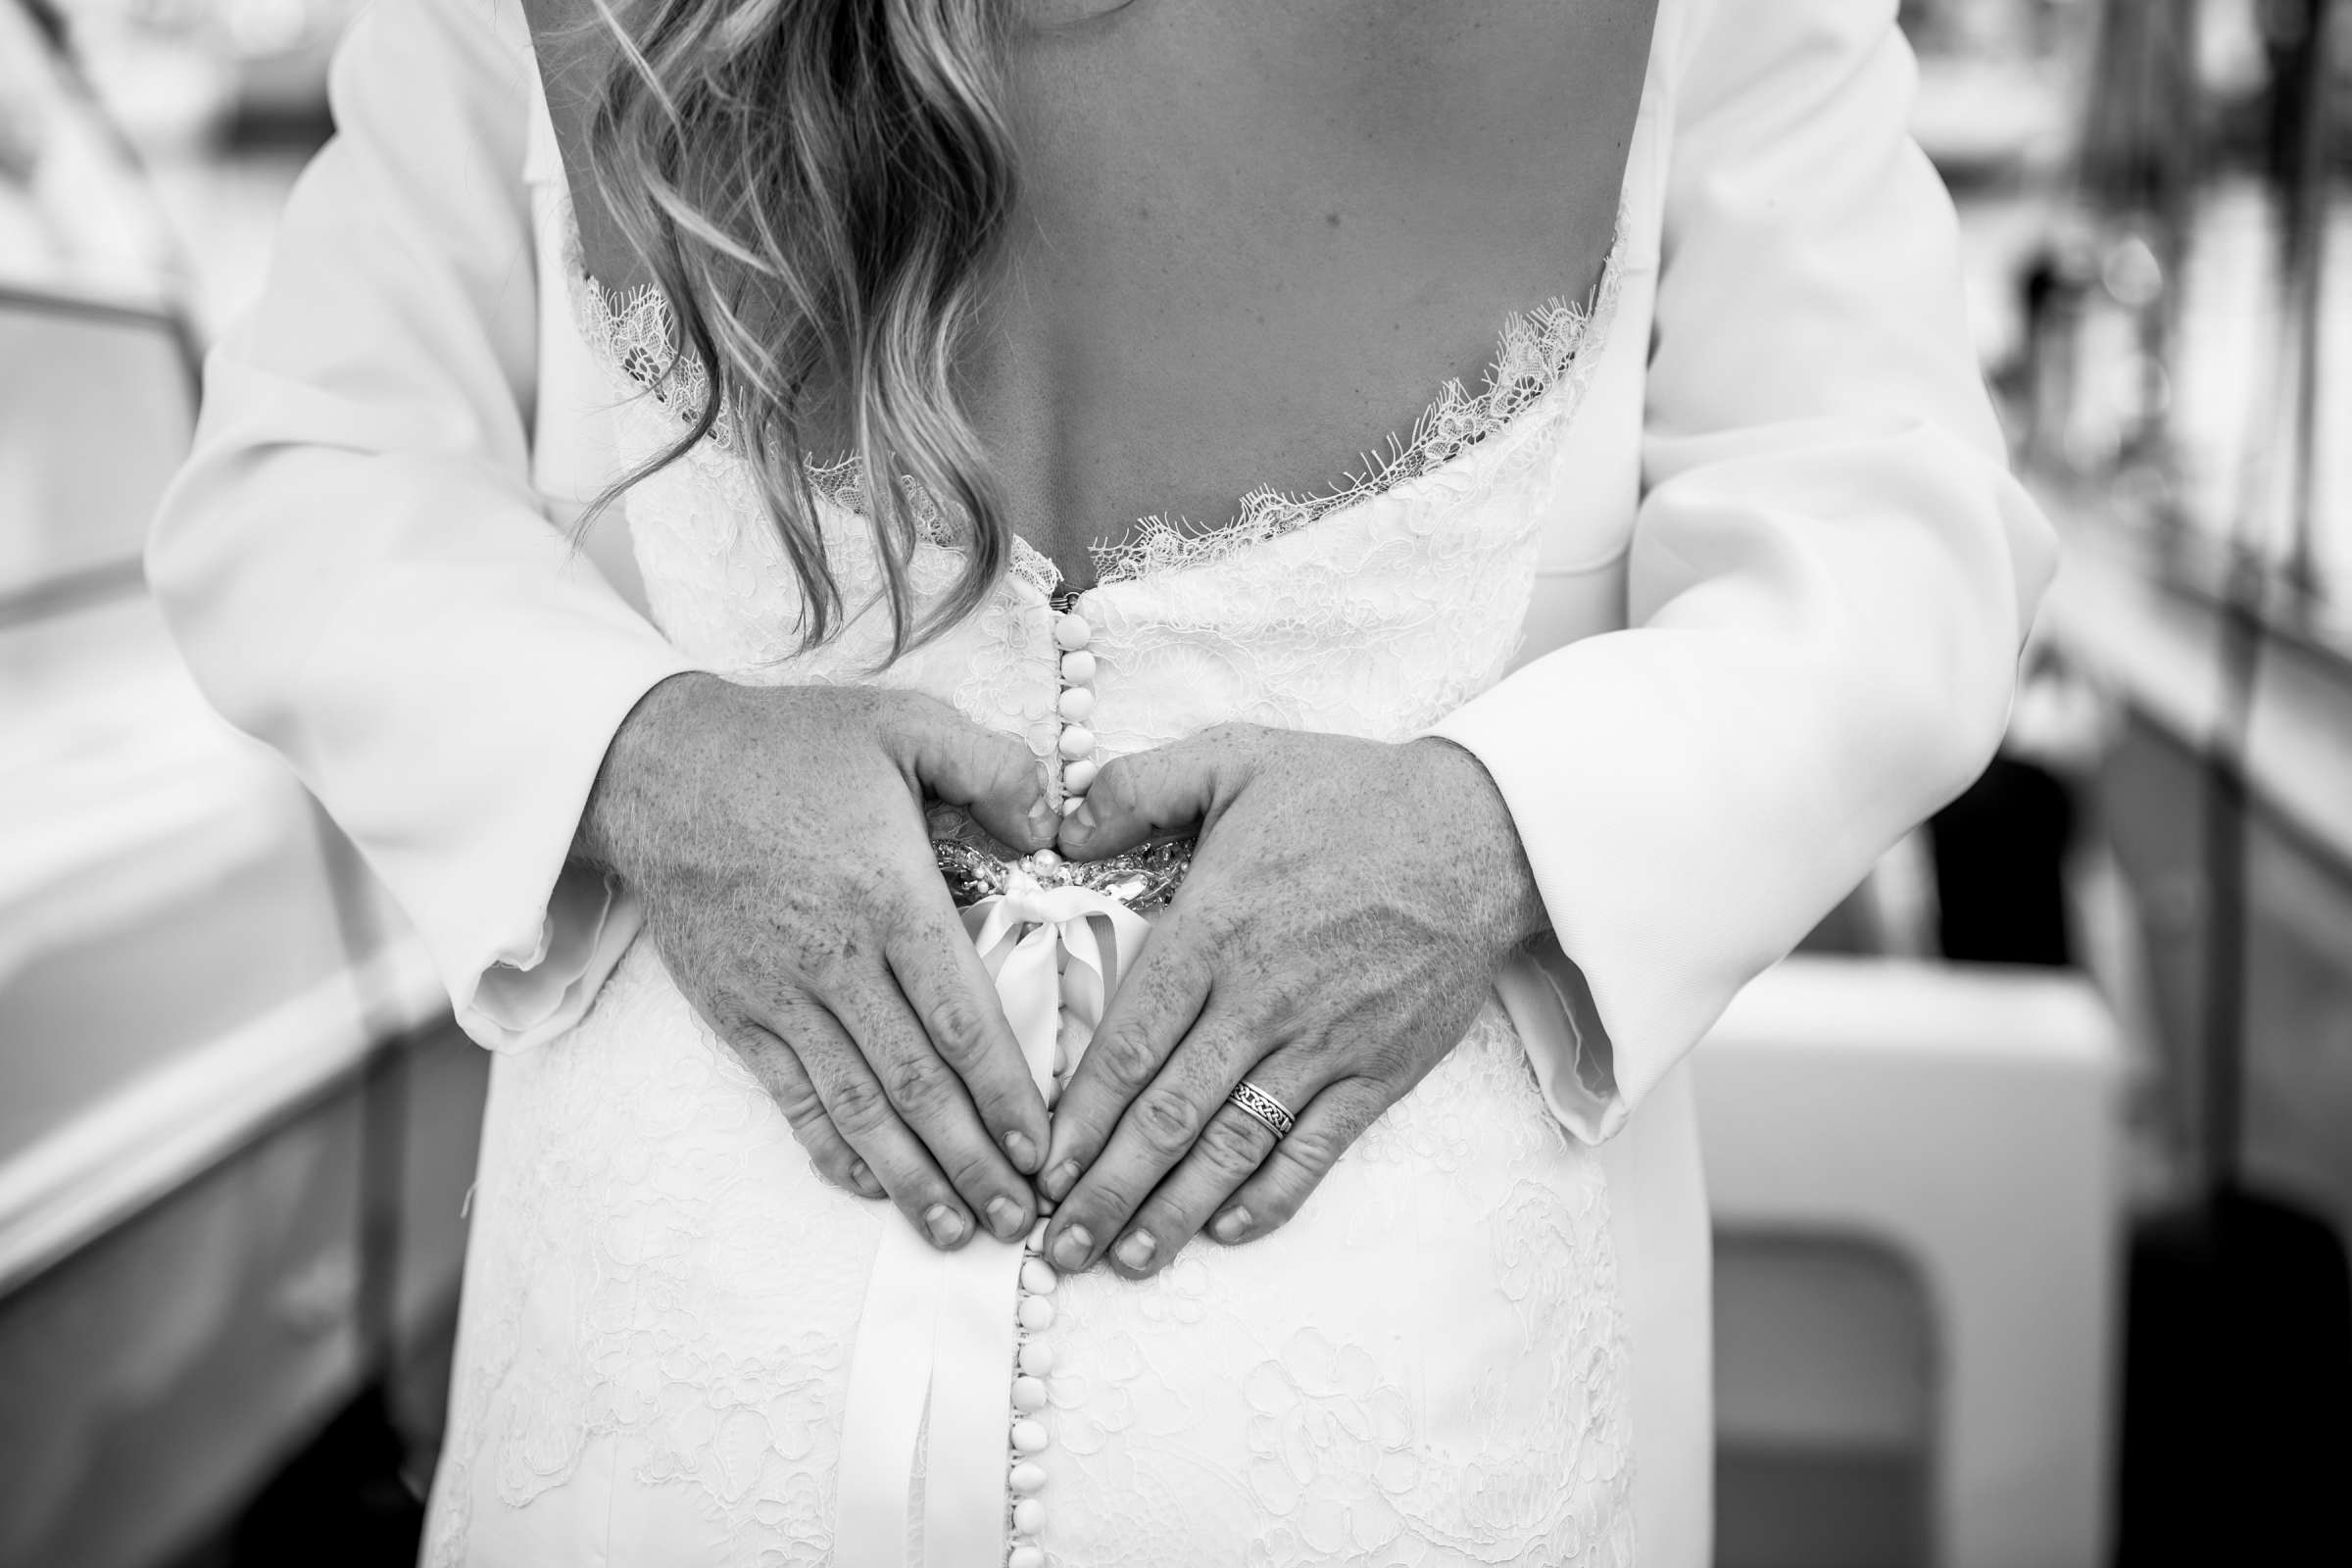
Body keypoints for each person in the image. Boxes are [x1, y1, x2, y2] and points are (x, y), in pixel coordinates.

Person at [147, 0, 2056, 1561]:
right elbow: (306, 470)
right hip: (675, 1401)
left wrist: (1500, 827)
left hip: (1407, 1423)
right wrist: (644, 757)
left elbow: (1898, 535)